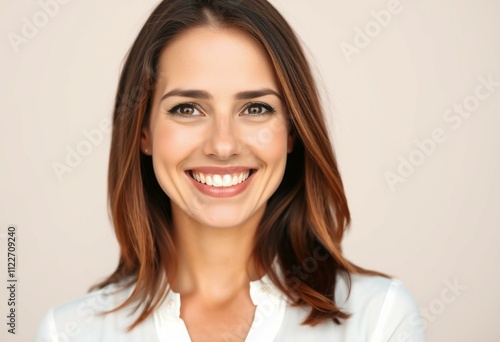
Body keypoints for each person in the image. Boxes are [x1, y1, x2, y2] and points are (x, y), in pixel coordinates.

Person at [35, 0, 427, 341]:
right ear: (143, 133)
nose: (223, 145)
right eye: (187, 109)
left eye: (256, 109)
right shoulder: (68, 332)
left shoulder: (379, 320)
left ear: (292, 131)